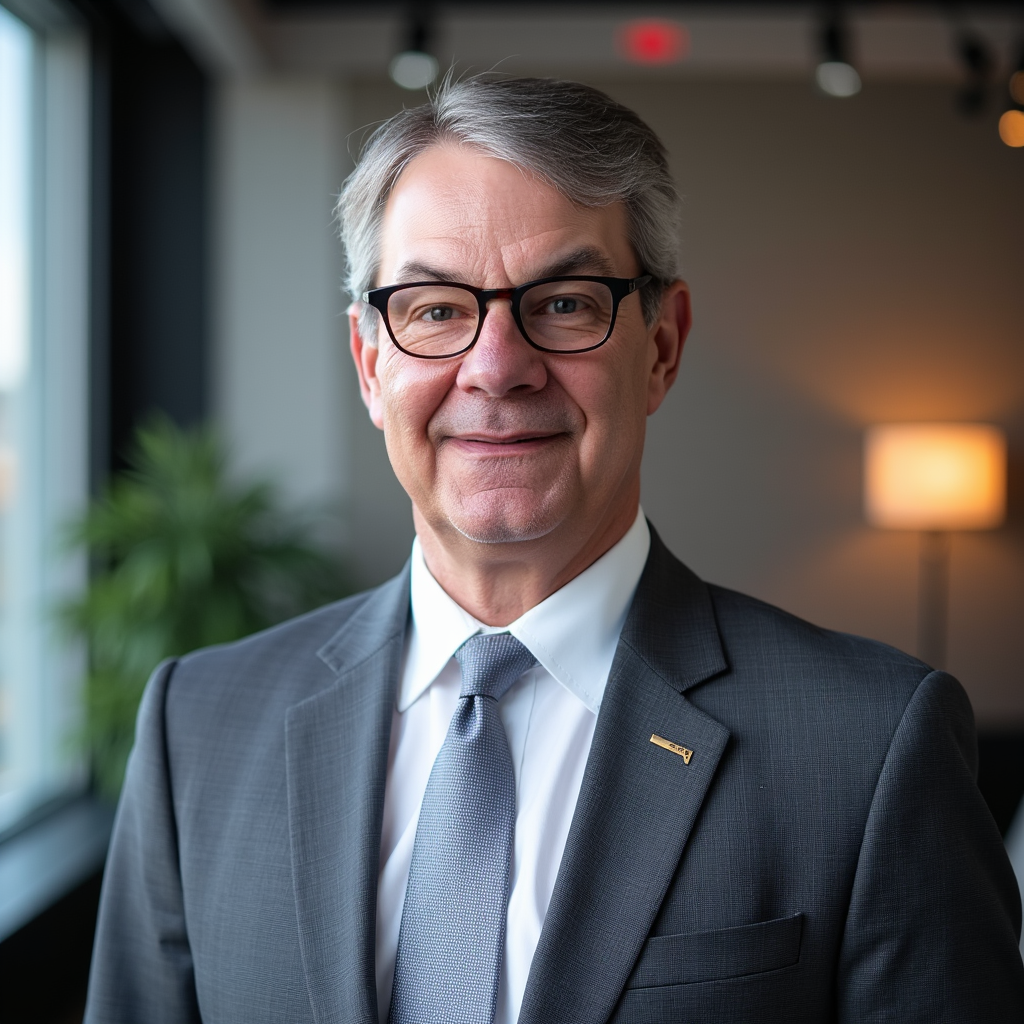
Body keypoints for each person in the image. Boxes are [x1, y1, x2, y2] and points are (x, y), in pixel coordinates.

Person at [84, 76, 1024, 1024]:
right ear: (372, 365)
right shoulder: (196, 727)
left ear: (661, 346)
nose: (496, 367)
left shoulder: (869, 746)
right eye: (436, 309)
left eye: (567, 304)